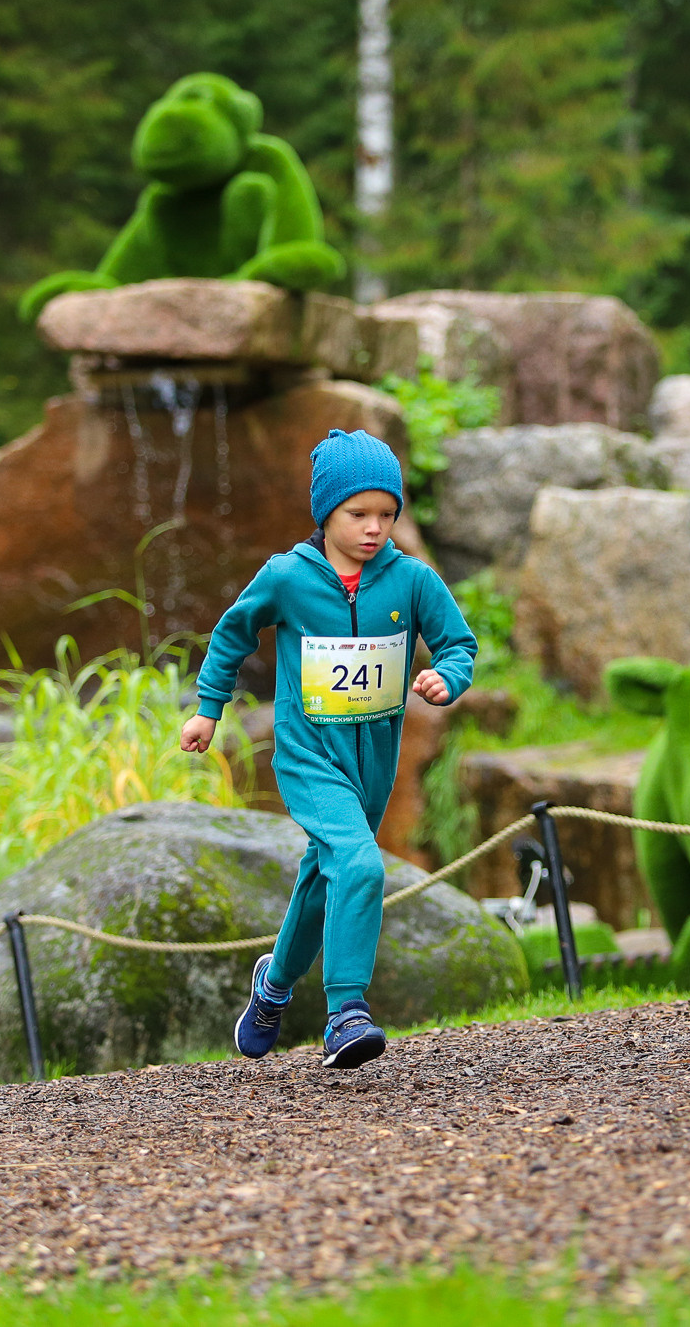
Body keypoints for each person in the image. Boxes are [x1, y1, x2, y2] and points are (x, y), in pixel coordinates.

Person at [180, 427, 476, 1069]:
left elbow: (459, 644)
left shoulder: (412, 581)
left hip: (375, 763)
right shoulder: (288, 577)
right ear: (325, 513)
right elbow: (233, 634)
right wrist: (209, 707)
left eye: (387, 515)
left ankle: (272, 987)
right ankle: (346, 1012)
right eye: (357, 514)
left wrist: (446, 677)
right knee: (361, 864)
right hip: (308, 755)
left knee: (325, 872)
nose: (374, 528)